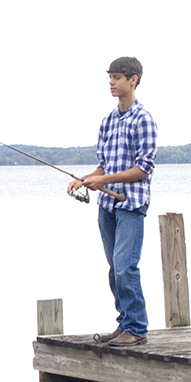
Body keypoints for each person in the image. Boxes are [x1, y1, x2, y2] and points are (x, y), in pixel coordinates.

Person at [68, 56, 157, 345]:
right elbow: (103, 165)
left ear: (133, 80)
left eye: (117, 78)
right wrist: (85, 180)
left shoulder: (143, 119)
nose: (111, 83)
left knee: (125, 266)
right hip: (108, 206)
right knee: (114, 268)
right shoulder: (107, 120)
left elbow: (143, 168)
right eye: (110, 78)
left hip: (131, 203)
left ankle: (137, 329)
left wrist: (102, 181)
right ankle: (124, 324)